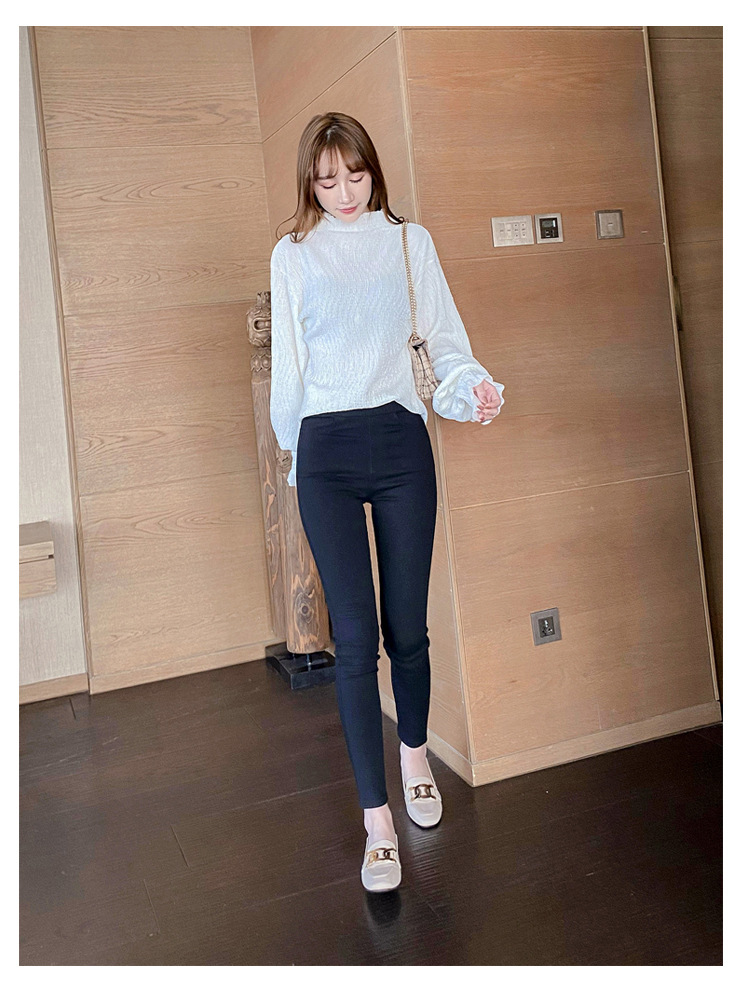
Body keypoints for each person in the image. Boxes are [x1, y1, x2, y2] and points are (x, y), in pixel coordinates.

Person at [269, 112, 505, 892]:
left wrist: (473, 390)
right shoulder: (292, 254)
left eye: (356, 175)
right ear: (309, 183)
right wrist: (296, 458)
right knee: (355, 635)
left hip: (402, 443)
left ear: (374, 170)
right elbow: (290, 371)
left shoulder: (410, 243)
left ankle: (415, 759)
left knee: (408, 625)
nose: (343, 193)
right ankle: (377, 822)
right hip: (326, 453)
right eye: (326, 181)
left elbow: (446, 343)